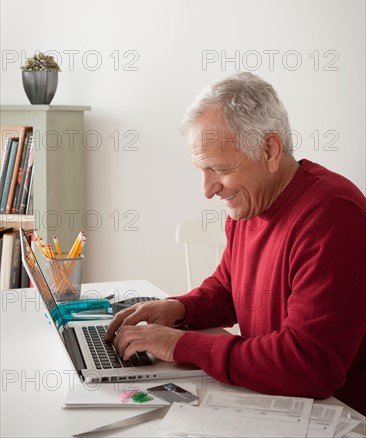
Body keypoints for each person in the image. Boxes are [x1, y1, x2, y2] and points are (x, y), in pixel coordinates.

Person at [105, 72, 366, 415]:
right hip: (276, 402)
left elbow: (310, 365)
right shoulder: (250, 204)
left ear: (270, 150)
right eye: (202, 169)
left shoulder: (331, 215)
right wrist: (180, 309)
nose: (208, 189)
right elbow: (231, 288)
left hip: (336, 416)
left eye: (219, 168)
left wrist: (184, 346)